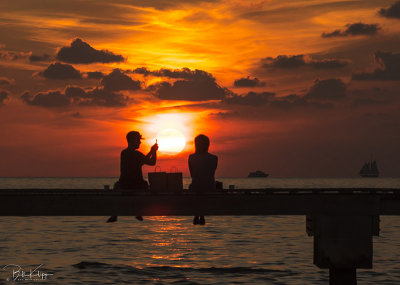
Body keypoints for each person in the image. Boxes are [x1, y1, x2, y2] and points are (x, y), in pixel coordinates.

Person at [107, 131, 158, 223]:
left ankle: (115, 214)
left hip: (123, 184)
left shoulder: (124, 153)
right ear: (131, 140)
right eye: (138, 140)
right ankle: (138, 211)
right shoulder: (136, 154)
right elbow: (151, 162)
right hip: (137, 184)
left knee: (117, 186)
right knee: (146, 185)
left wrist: (151, 151)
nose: (140, 142)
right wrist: (153, 152)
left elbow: (142, 161)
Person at [188, 134, 218, 225]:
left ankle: (198, 215)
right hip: (210, 187)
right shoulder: (214, 158)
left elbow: (192, 175)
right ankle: (201, 215)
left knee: (195, 186)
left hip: (196, 187)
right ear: (207, 145)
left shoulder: (191, 157)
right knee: (203, 185)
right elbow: (211, 173)